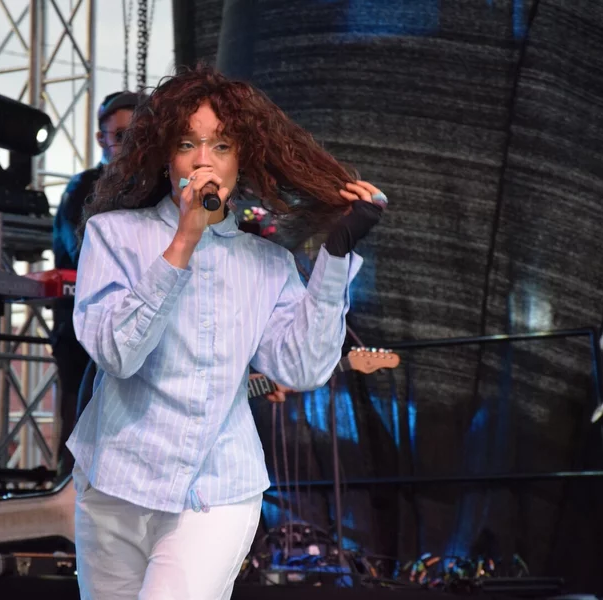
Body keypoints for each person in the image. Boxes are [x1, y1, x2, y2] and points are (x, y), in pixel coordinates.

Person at [66, 64, 386, 600]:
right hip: (116, 482)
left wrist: (336, 255)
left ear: (241, 160)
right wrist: (182, 243)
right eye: (186, 144)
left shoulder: (267, 263)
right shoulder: (113, 237)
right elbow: (117, 354)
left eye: (220, 146)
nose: (202, 160)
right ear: (165, 157)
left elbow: (303, 368)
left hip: (217, 489)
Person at [50, 90, 147, 477]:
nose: (130, 144)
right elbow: (86, 254)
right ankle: (69, 505)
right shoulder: (82, 188)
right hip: (84, 333)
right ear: (101, 139)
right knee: (81, 431)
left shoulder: (155, 188)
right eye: (121, 135)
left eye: (139, 134)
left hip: (137, 332)